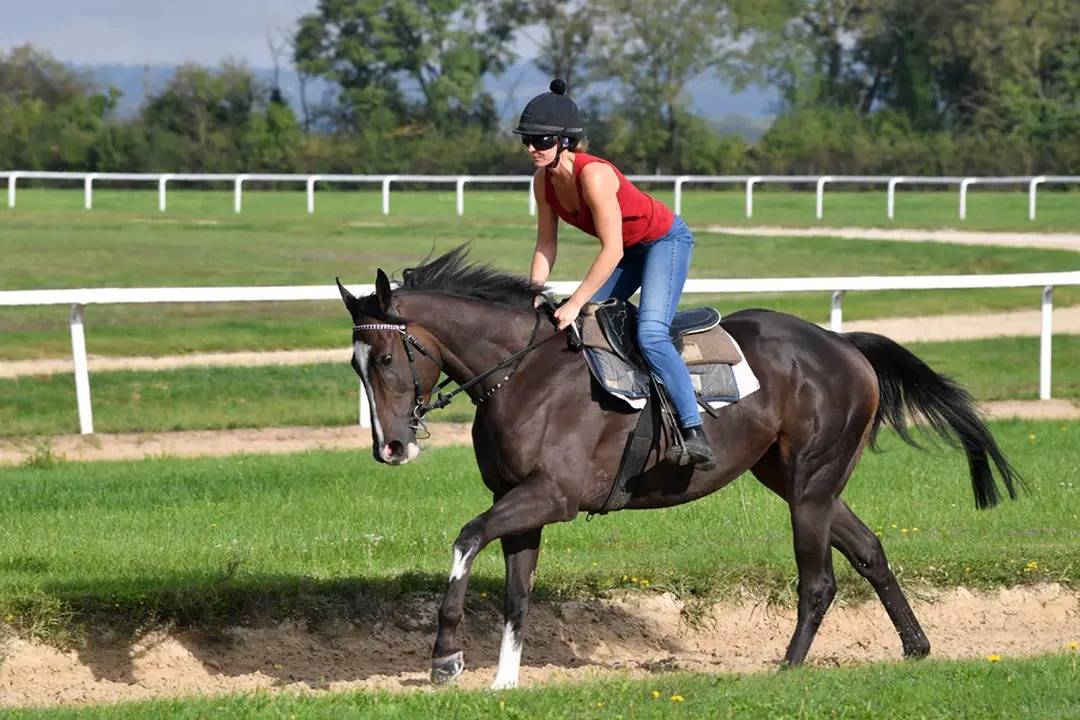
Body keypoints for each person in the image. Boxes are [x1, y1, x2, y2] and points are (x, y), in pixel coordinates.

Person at [515, 79, 716, 470]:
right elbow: (546, 245)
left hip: (663, 243)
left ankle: (694, 432)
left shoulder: (595, 176)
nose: (531, 148)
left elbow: (612, 249)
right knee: (583, 326)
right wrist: (534, 293)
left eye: (541, 140)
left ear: (566, 142)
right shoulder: (543, 182)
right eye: (527, 140)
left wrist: (575, 302)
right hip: (627, 250)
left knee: (651, 333)